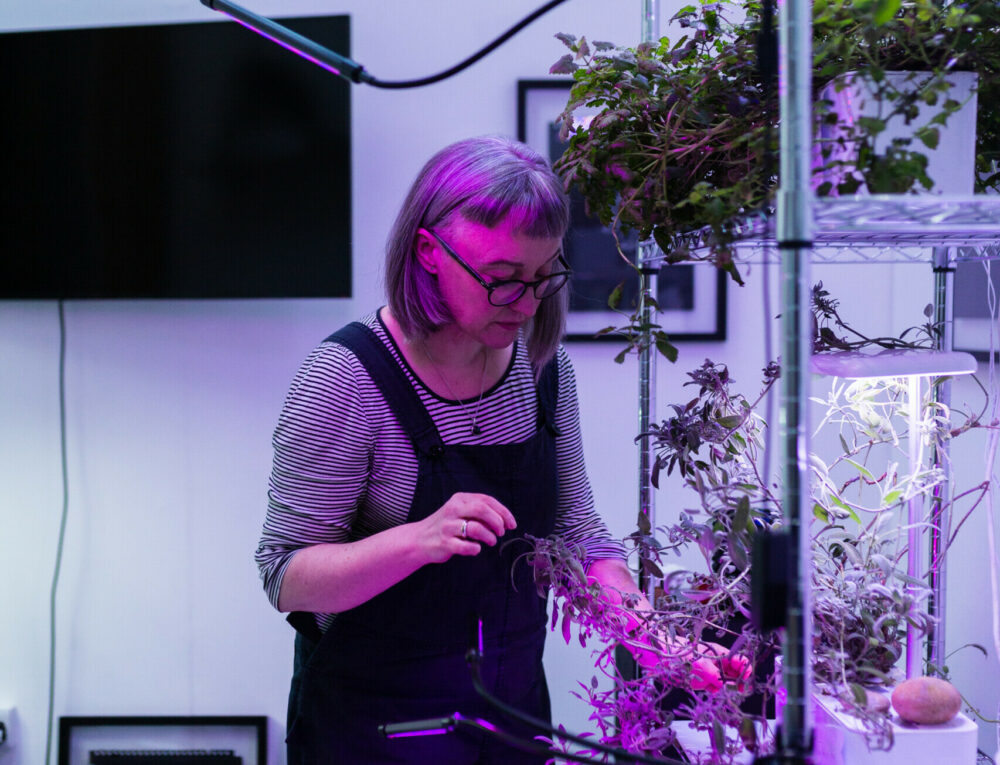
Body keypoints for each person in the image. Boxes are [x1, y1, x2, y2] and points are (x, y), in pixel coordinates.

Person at [255, 135, 737, 764]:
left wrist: (655, 641)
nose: (529, 302)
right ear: (429, 252)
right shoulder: (347, 381)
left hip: (508, 721)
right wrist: (418, 540)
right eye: (504, 279)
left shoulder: (542, 371)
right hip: (372, 730)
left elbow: (577, 534)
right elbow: (286, 577)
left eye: (544, 276)